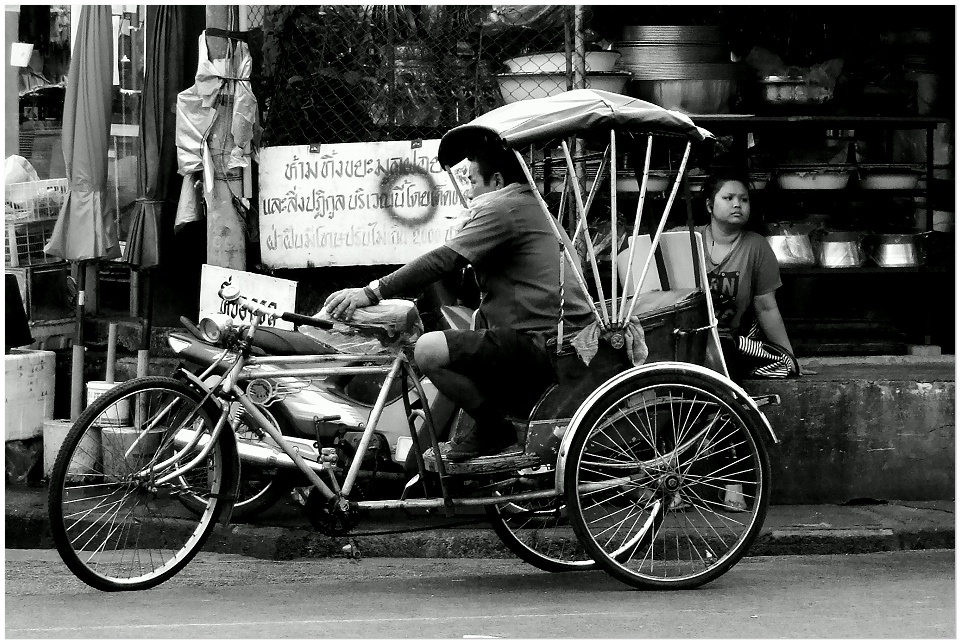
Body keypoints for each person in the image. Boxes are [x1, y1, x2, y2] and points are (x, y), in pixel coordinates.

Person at [323, 141, 594, 462]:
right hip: (539, 338)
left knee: (429, 350)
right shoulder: (526, 207)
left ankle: (493, 428)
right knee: (449, 337)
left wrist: (371, 292)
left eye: (473, 182)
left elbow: (442, 261)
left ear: (496, 181)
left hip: (541, 345)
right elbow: (456, 273)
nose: (468, 192)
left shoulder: (504, 208)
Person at [698, 170, 798, 512]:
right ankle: (727, 484)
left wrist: (789, 355)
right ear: (709, 204)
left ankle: (729, 482)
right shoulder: (687, 241)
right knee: (708, 396)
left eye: (744, 199)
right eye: (729, 198)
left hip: (729, 342)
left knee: (742, 383)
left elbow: (766, 305)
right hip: (689, 341)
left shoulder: (755, 246)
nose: (738, 205)